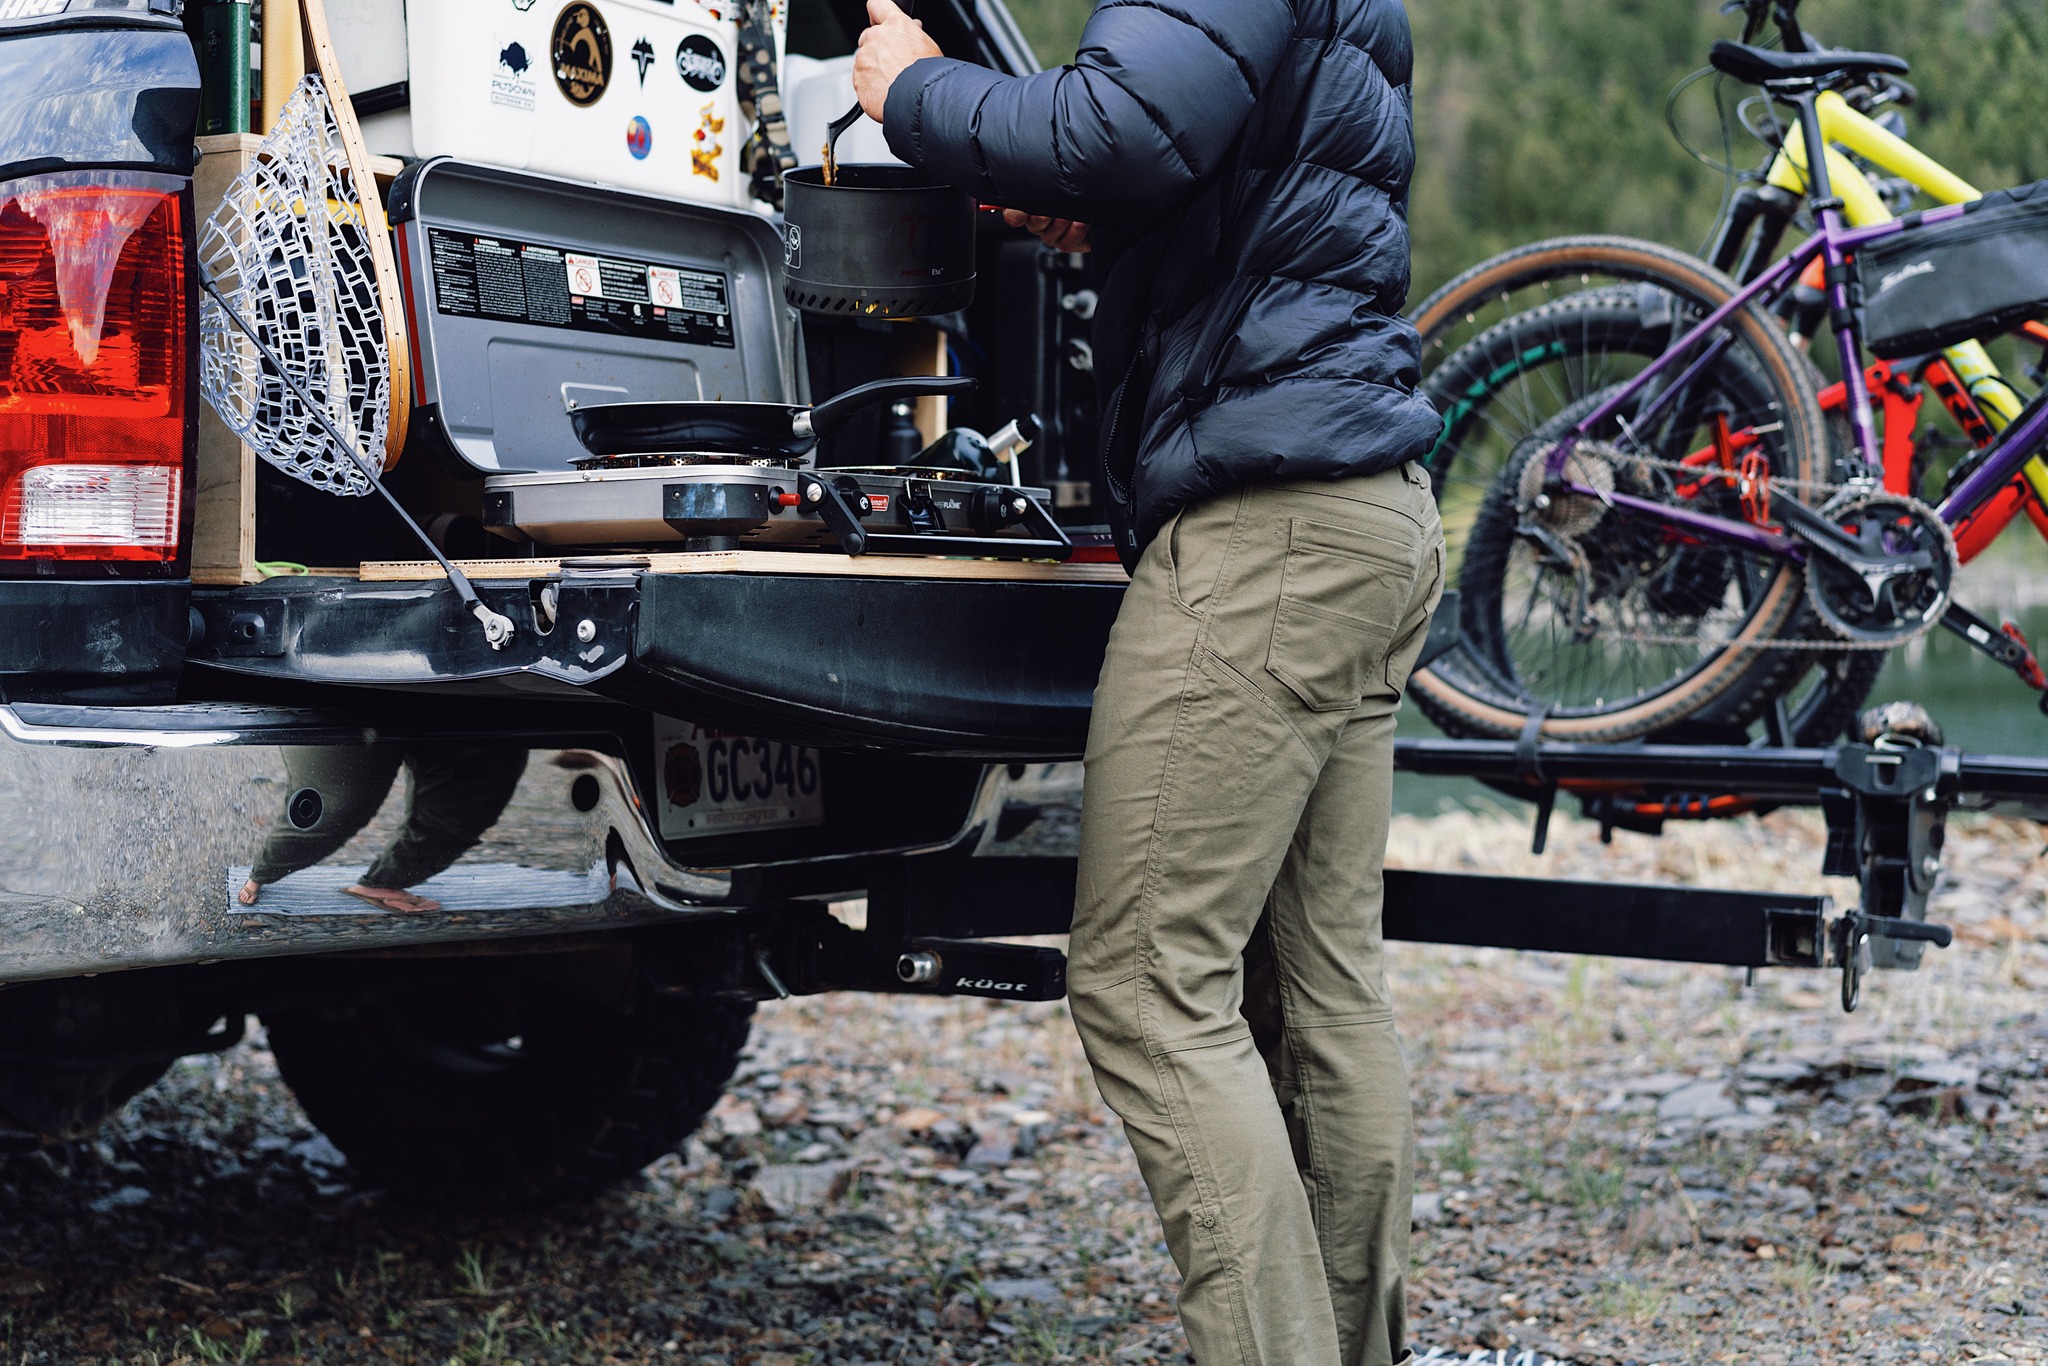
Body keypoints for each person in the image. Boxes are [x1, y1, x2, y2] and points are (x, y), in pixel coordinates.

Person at [855, 4, 1444, 1364]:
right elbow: (1238, 175)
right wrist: (1107, 222)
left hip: (1268, 533)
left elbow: (1119, 125)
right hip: (1362, 510)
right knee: (1315, 987)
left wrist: (915, 91)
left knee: (1142, 983)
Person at [238, 745, 529, 913]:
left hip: (466, 684)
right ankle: (260, 875)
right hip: (350, 682)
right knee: (333, 806)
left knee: (468, 802)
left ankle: (384, 882)